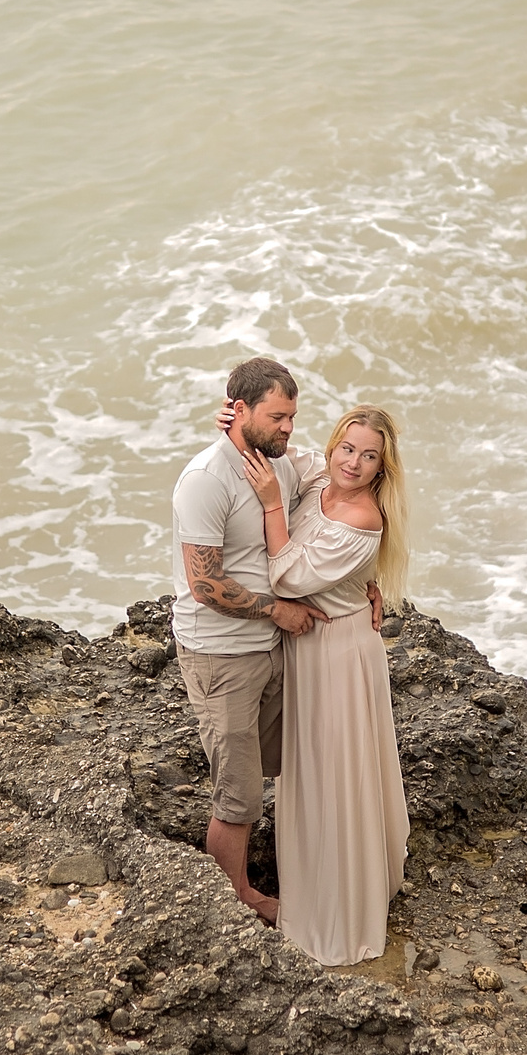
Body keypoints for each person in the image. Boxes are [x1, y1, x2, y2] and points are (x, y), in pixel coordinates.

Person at [233, 404, 411, 967]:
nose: (353, 463)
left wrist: (268, 507)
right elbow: (281, 451)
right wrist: (235, 422)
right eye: (347, 448)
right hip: (306, 651)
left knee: (337, 775)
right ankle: (316, 878)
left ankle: (341, 903)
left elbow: (287, 575)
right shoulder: (319, 479)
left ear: (383, 469)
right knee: (309, 773)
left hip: (339, 656)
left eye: (369, 456)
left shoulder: (363, 519)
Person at [171, 356, 327, 924]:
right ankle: (234, 899)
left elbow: (350, 475)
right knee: (237, 793)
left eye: (292, 417)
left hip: (269, 647)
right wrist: (277, 611)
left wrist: (371, 579)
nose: (288, 427)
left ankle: (297, 870)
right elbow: (205, 582)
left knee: (286, 766)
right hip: (221, 652)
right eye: (278, 417)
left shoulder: (278, 464)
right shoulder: (206, 480)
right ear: (239, 410)